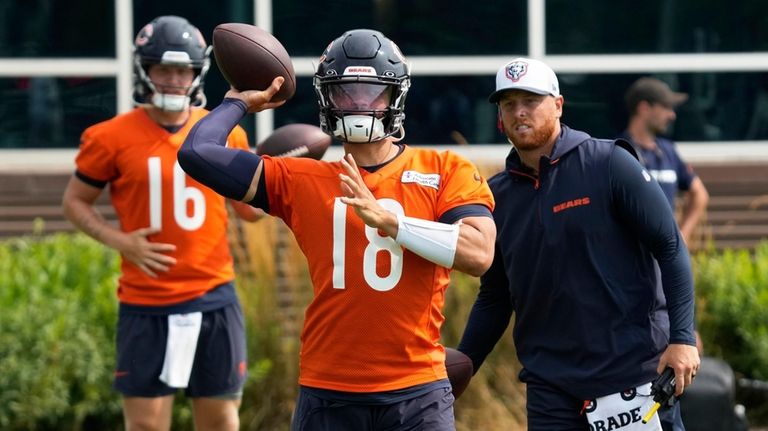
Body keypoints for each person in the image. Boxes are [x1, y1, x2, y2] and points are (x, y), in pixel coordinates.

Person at [178, 29, 497, 431]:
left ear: (395, 96)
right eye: (346, 92)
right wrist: (238, 101)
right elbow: (196, 153)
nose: (359, 104)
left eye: (372, 92)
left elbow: (479, 255)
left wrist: (391, 222)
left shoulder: (444, 168)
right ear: (327, 99)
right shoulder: (299, 179)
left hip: (417, 391)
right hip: (330, 391)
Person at [456, 58, 700, 430]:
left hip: (633, 376)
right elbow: (495, 296)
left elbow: (670, 246)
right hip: (550, 388)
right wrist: (463, 364)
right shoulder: (494, 197)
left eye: (531, 101)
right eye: (509, 104)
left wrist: (683, 338)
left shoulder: (609, 163)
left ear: (557, 105)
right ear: (500, 117)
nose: (520, 112)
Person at [62, 16, 263, 431]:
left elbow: (250, 211)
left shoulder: (225, 133)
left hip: (212, 296)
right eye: (163, 69)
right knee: (147, 426)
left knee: (221, 421)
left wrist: (279, 180)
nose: (173, 79)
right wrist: (118, 239)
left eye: (182, 69)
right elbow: (75, 202)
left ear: (197, 72)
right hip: (146, 300)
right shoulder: (110, 136)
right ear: (145, 70)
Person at [621, 77, 709, 246]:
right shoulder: (618, 150)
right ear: (644, 108)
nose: (672, 115)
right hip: (631, 257)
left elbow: (700, 194)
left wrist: (682, 237)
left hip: (666, 256)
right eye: (666, 107)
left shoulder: (668, 151)